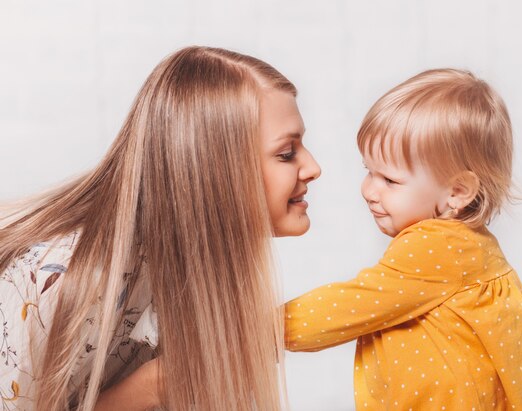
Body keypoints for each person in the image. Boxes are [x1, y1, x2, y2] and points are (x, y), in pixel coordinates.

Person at [0, 46, 320, 411]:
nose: (313, 167)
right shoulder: (56, 277)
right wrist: (156, 383)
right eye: (286, 153)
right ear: (214, 166)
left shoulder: (199, 263)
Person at [285, 69, 522, 410]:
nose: (369, 190)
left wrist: (263, 328)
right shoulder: (471, 244)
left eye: (390, 180)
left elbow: (350, 305)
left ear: (457, 191)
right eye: (368, 171)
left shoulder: (432, 248)